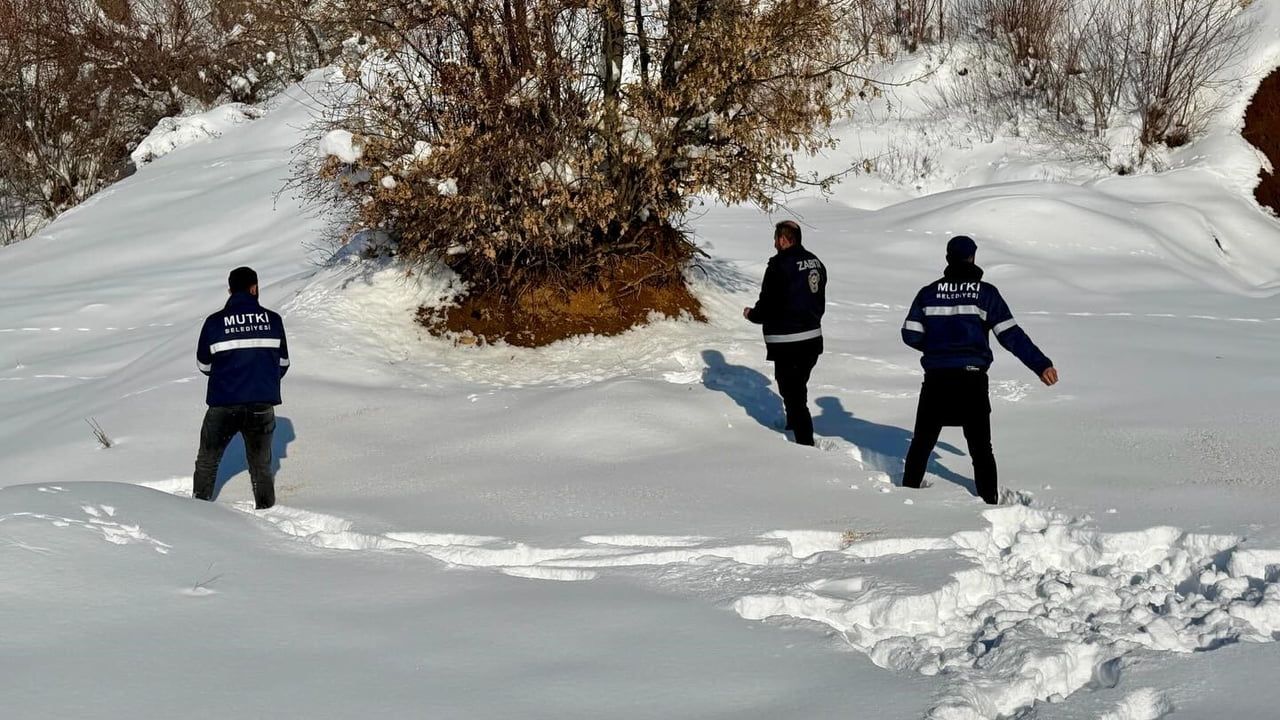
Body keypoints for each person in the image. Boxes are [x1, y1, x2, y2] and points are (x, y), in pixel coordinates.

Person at [900, 235, 1057, 504]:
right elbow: (1011, 335)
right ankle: (989, 499)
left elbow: (910, 333)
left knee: (922, 443)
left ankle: (906, 495)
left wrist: (938, 349)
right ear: (973, 257)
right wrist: (1040, 364)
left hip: (936, 380)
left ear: (948, 258)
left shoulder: (928, 293)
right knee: (981, 447)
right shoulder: (985, 294)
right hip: (972, 380)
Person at [193, 267, 290, 509]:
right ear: (254, 288)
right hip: (261, 403)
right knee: (260, 466)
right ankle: (266, 512)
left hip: (223, 402)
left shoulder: (214, 323)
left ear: (230, 290)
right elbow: (283, 364)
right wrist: (263, 380)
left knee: (207, 461)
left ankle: (196, 511)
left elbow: (203, 365)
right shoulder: (273, 320)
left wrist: (226, 377)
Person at [743, 220, 827, 446]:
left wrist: (753, 315)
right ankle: (793, 424)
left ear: (783, 239)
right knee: (796, 386)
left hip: (788, 342)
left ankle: (805, 444)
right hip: (812, 340)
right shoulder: (816, 262)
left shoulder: (779, 265)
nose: (774, 244)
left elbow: (768, 302)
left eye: (775, 239)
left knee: (793, 393)